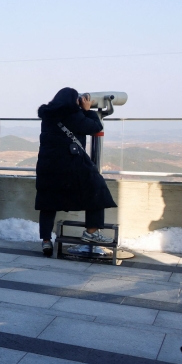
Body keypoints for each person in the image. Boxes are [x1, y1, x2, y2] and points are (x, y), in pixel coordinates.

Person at [35, 88, 118, 257]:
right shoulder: (72, 114)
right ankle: (91, 232)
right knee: (97, 189)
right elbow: (95, 127)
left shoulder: (48, 115)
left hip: (47, 167)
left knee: (48, 202)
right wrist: (87, 111)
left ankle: (45, 240)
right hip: (70, 166)